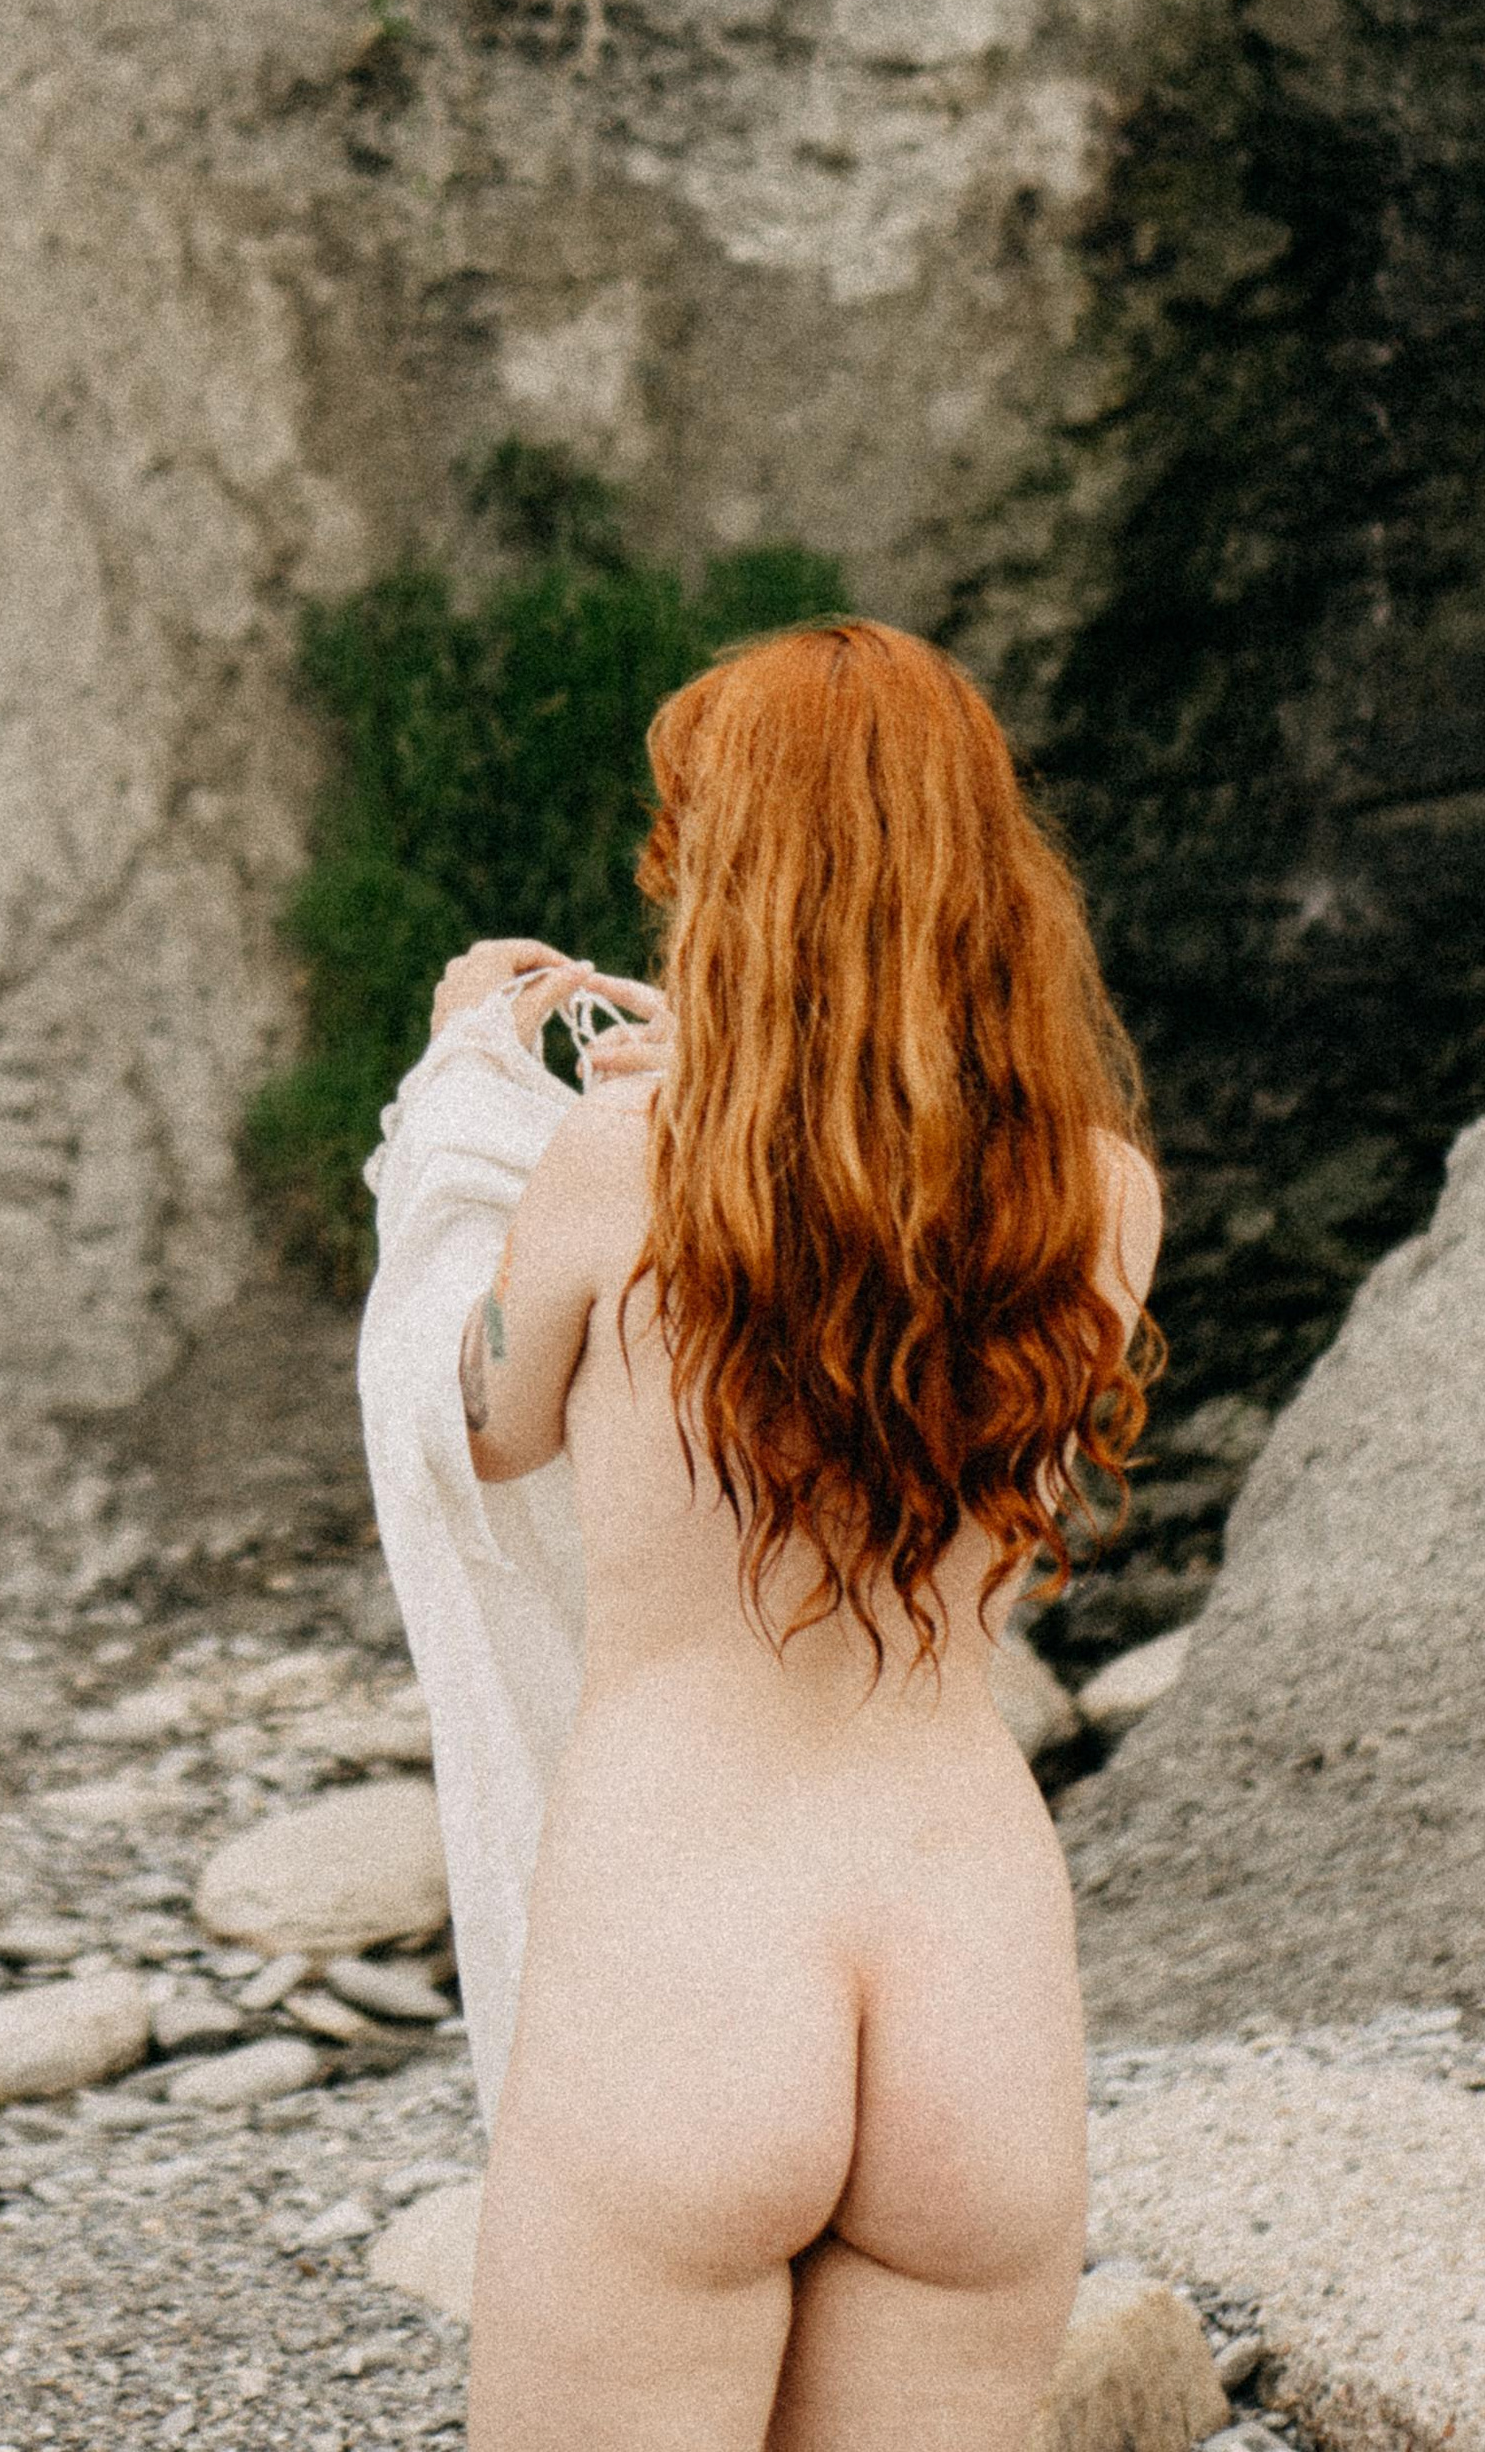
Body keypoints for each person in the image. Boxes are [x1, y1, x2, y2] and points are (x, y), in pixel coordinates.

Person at [438, 619, 1162, 2452]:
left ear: (730, 883)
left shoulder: (615, 1175)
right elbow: (874, 1175)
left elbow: (478, 1423)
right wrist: (757, 1077)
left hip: (688, 1951)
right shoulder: (1100, 1198)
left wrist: (461, 1099)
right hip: (973, 1971)